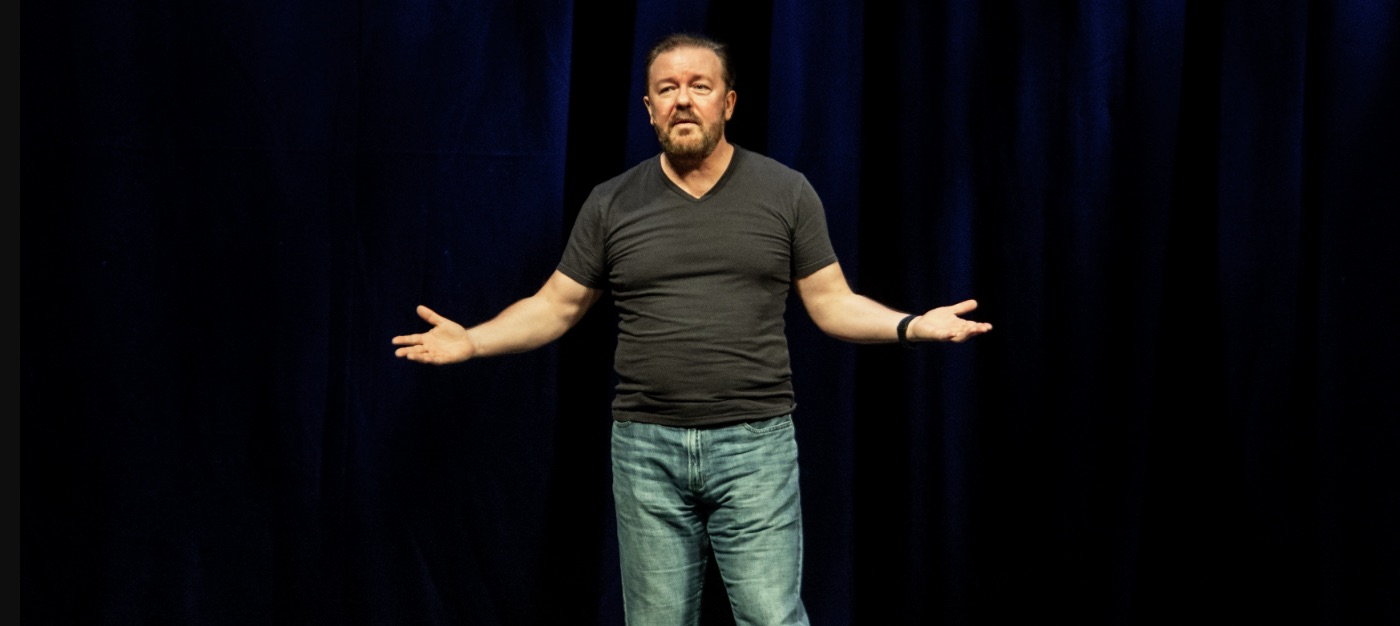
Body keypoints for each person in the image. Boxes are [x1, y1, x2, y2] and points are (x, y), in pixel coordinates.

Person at [392, 32, 992, 625]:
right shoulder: (611, 203)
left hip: (755, 446)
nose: (682, 99)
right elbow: (556, 306)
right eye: (667, 89)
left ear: (727, 103)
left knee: (771, 616)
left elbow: (832, 302)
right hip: (645, 450)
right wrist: (473, 340)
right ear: (649, 107)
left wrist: (912, 326)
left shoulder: (785, 192)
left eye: (699, 87)